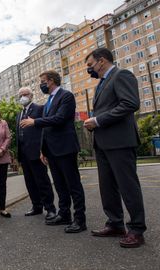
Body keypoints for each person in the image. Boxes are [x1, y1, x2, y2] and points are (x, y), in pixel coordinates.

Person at [84, 48, 146, 248]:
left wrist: (98, 120)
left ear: (101, 61)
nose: (89, 70)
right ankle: (115, 223)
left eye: (90, 65)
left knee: (128, 187)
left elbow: (130, 103)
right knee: (107, 187)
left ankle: (136, 229)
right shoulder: (101, 84)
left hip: (120, 142)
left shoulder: (122, 75)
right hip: (103, 143)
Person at [20, 70, 86, 233]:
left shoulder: (66, 96)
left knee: (73, 185)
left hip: (65, 147)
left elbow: (60, 119)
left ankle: (80, 219)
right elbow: (46, 129)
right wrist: (43, 150)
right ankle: (64, 214)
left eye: (42, 81)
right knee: (59, 185)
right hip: (52, 150)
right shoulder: (49, 99)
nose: (41, 84)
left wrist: (35, 121)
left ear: (50, 81)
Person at [15, 87, 56, 221]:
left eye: (25, 94)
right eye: (20, 95)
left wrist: (43, 150)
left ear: (31, 95)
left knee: (42, 181)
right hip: (24, 154)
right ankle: (36, 206)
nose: (22, 97)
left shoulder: (39, 109)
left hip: (36, 152)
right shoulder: (19, 114)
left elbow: (44, 129)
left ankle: (50, 208)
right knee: (30, 182)